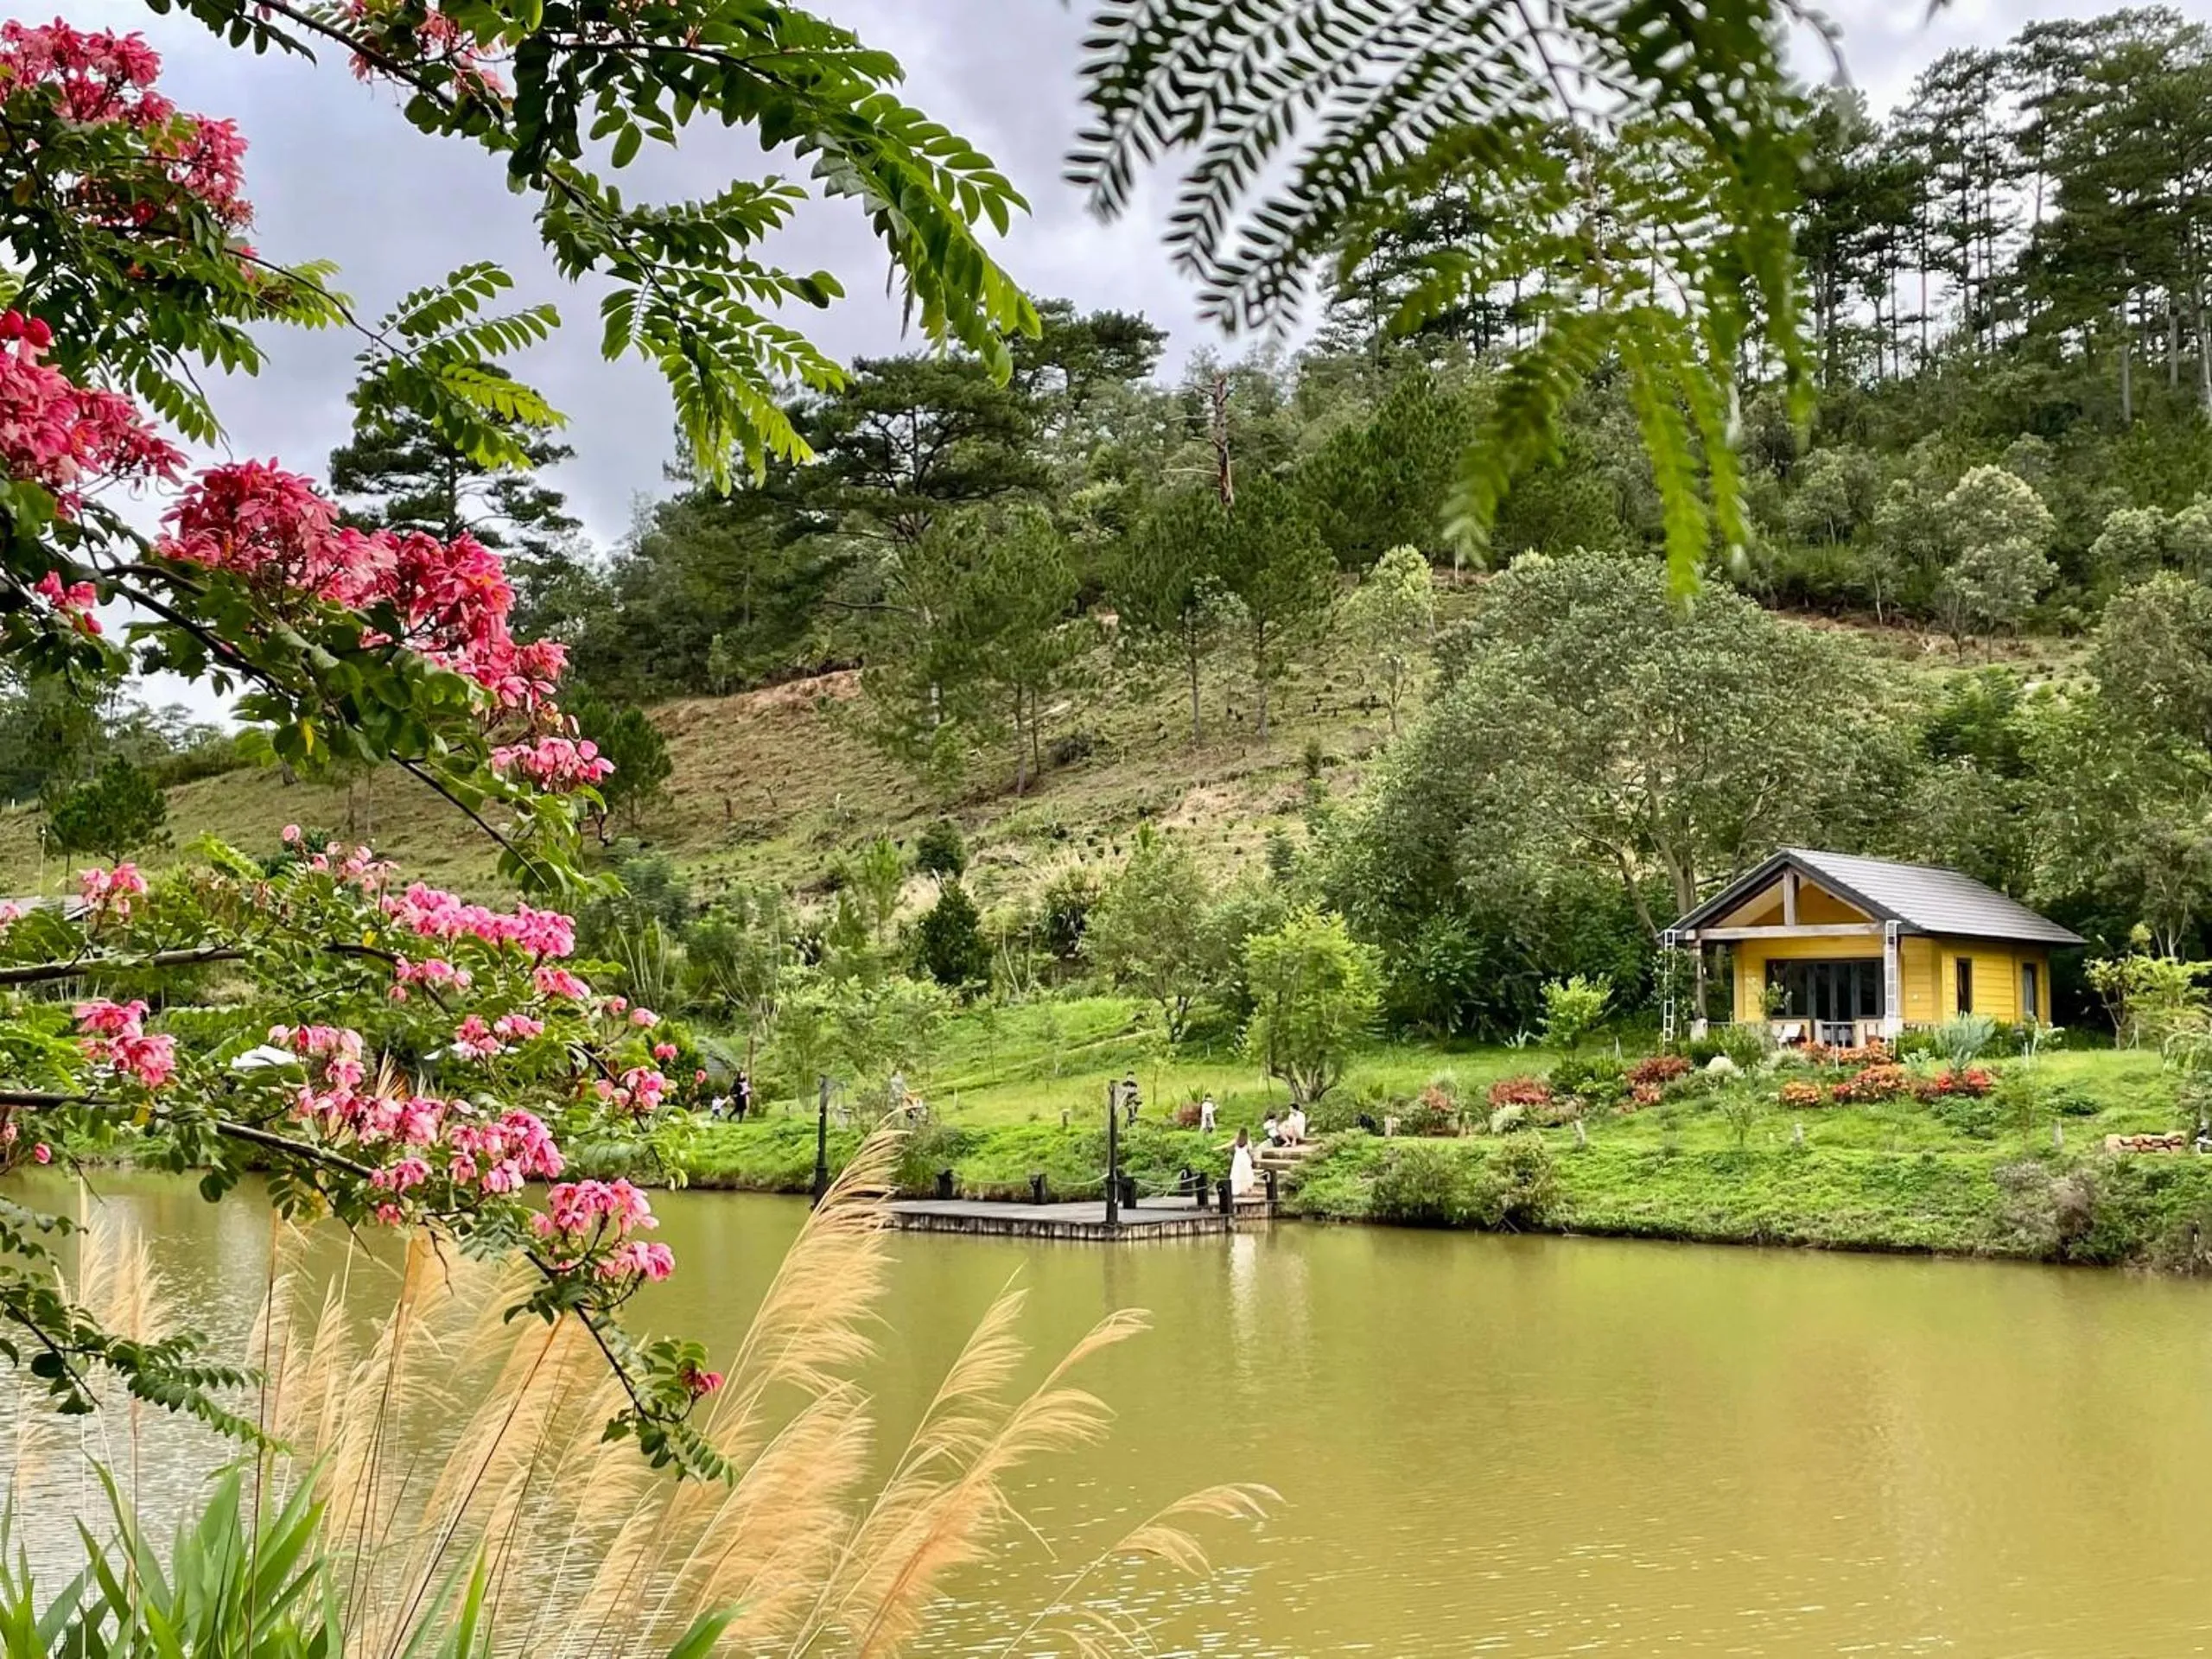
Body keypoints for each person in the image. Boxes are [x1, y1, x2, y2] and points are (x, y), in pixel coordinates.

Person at [1229, 1127, 1257, 1200]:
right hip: (1245, 1158)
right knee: (1247, 1174)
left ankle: (1236, 1189)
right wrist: (1253, 1159)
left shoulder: (1236, 1141)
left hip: (1237, 1159)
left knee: (1237, 1173)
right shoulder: (1248, 1141)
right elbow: (1251, 1152)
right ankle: (1247, 1189)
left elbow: (1228, 1146)